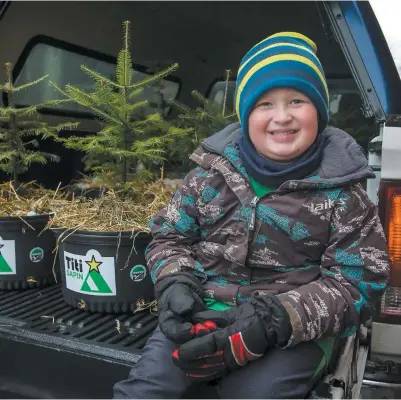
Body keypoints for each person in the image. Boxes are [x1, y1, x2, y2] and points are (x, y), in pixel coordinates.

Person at [113, 32, 389, 399]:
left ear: (319, 111)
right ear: (245, 114)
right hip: (206, 310)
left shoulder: (343, 193)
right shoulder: (210, 174)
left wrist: (273, 322)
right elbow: (170, 237)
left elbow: (359, 284)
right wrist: (173, 282)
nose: (282, 117)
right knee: (145, 391)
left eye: (297, 100)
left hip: (292, 330)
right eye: (264, 104)